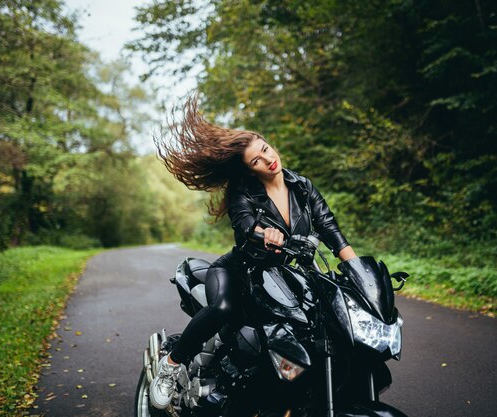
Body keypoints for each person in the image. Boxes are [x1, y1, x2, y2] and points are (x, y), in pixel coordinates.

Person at [149, 93, 357, 409]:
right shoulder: (244, 192)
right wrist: (265, 234)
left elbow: (330, 229)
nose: (267, 158)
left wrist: (356, 270)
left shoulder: (302, 186)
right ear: (250, 169)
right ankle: (171, 365)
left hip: (283, 278)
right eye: (256, 160)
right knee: (222, 309)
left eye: (265, 149)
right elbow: (244, 226)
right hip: (238, 272)